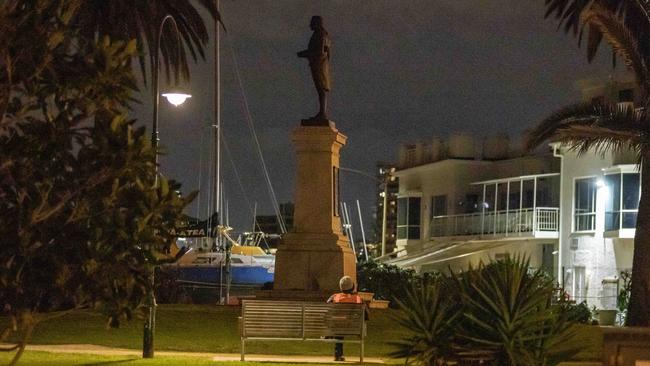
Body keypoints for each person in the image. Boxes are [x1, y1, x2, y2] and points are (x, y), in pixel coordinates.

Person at [297, 15, 331, 122]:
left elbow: (319, 52)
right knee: (320, 89)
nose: (310, 25)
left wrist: (304, 54)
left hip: (319, 65)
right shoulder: (324, 35)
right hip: (320, 65)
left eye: (312, 23)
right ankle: (322, 112)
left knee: (321, 89)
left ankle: (322, 113)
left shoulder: (320, 35)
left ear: (317, 23)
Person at [327, 275, 363, 362]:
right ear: (352, 287)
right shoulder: (357, 298)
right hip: (353, 327)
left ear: (341, 287)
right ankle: (339, 354)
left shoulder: (335, 297)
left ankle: (338, 354)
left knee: (339, 324)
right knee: (342, 324)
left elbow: (327, 307)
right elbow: (364, 314)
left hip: (336, 326)